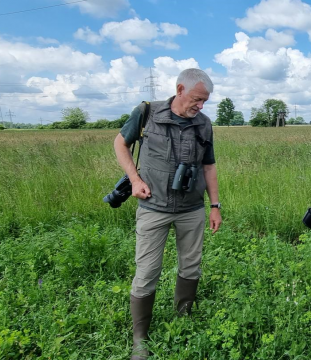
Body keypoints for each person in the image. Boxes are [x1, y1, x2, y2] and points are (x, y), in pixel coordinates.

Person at [114, 68, 222, 360]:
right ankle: (140, 338)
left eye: (204, 102)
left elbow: (209, 167)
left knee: (191, 266)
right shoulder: (148, 113)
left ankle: (184, 317)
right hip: (153, 208)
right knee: (147, 271)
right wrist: (135, 180)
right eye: (197, 99)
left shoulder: (204, 124)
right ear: (179, 89)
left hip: (191, 209)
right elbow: (120, 143)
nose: (200, 106)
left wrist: (214, 205)